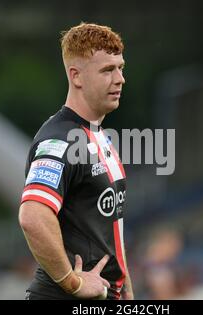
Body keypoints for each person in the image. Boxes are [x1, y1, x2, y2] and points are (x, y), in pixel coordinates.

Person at [18, 22, 134, 300]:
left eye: (120, 67)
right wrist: (73, 283)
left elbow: (109, 228)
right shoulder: (59, 140)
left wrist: (126, 291)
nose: (120, 79)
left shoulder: (99, 136)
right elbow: (33, 217)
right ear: (76, 76)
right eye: (107, 70)